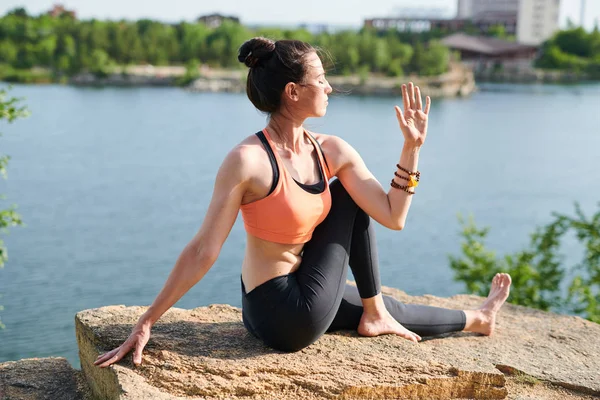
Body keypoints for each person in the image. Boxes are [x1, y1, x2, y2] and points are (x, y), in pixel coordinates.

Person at [95, 37, 512, 368]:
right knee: (348, 200)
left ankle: (476, 319)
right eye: (321, 79)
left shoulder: (331, 149)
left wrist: (412, 149)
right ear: (293, 91)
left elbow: (392, 215)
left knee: (384, 303)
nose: (329, 87)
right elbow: (204, 249)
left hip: (297, 295)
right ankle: (375, 312)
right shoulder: (248, 161)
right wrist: (147, 320)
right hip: (282, 311)